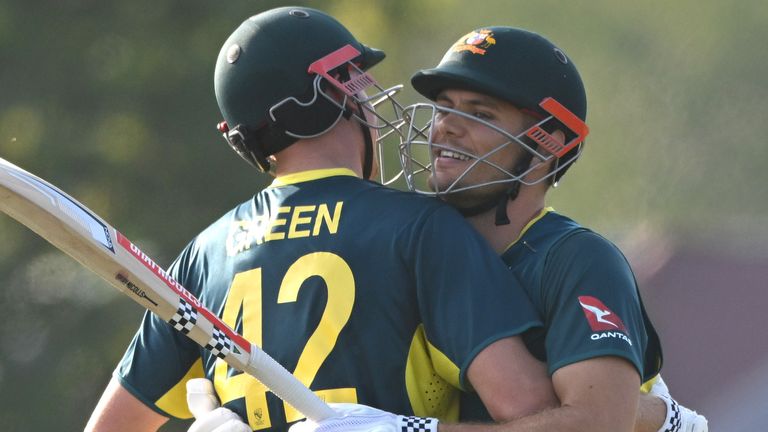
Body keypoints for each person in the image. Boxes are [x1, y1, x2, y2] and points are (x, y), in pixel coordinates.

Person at [84, 10, 560, 432]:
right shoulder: (421, 230)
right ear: (333, 93)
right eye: (357, 84)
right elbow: (538, 414)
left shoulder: (202, 259)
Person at [289, 27, 708, 432]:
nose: (445, 128)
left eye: (479, 114)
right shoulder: (406, 242)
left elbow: (597, 425)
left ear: (547, 145)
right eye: (444, 109)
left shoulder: (578, 260)